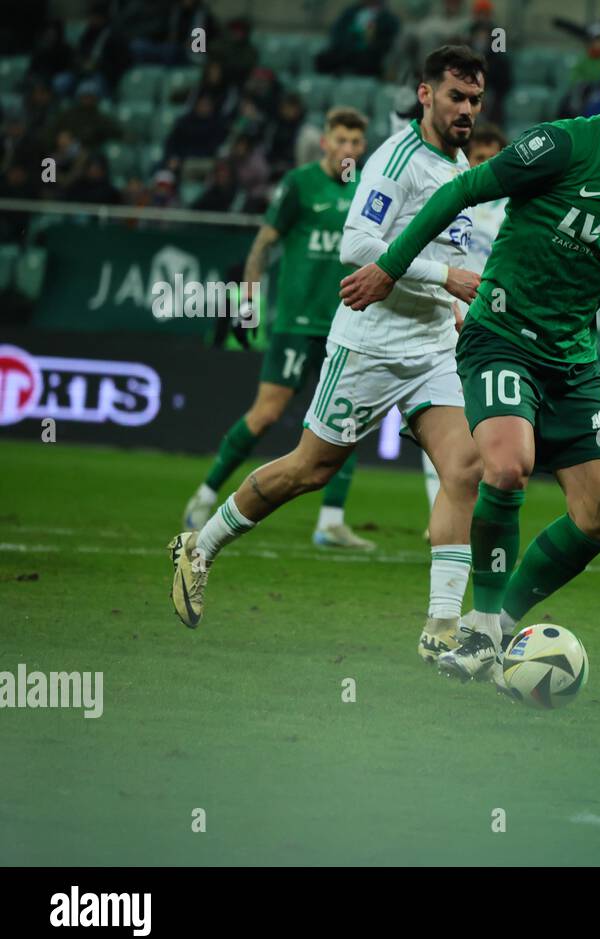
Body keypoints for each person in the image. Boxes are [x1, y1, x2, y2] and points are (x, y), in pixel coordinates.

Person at [339, 43, 600, 684]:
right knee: (506, 467)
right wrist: (390, 266)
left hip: (573, 361)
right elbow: (464, 191)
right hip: (501, 336)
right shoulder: (561, 146)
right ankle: (476, 630)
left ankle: (500, 624)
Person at [170, 47, 489, 661]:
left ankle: (441, 627)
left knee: (464, 468)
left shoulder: (460, 165)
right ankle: (198, 546)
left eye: (475, 100)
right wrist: (443, 278)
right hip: (368, 342)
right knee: (308, 469)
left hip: (432, 347)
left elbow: (456, 255)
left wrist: (455, 300)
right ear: (426, 95)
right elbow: (357, 245)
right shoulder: (395, 159)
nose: (467, 110)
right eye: (456, 97)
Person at [180, 106, 373, 548]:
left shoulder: (368, 188)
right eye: (340, 140)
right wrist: (247, 300)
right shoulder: (299, 185)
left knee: (347, 423)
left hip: (346, 324)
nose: (348, 149)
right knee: (266, 414)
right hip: (296, 322)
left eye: (355, 142)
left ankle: (330, 522)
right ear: (324, 142)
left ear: (363, 147)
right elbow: (264, 242)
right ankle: (205, 494)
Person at [419, 122, 507, 526]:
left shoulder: (512, 208)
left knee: (480, 423)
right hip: (446, 318)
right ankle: (444, 506)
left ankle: (465, 505)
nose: (485, 165)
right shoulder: (456, 197)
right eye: (479, 158)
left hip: (491, 325)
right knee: (442, 415)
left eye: (494, 159)